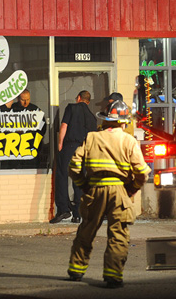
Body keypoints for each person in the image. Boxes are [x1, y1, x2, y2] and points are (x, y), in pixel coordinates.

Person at [66, 100, 151, 288]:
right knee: (118, 234)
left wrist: (84, 185)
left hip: (94, 189)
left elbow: (73, 166)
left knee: (86, 230)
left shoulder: (91, 138)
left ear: (106, 120)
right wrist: (132, 189)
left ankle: (76, 271)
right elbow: (143, 173)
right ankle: (113, 275)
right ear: (123, 122)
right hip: (119, 192)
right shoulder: (129, 141)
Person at [50, 90, 98, 224]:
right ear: (88, 102)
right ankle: (77, 214)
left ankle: (63, 210)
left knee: (61, 176)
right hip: (84, 150)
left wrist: (60, 144)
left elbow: (64, 126)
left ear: (78, 98)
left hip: (70, 146)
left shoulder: (71, 108)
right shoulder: (92, 117)